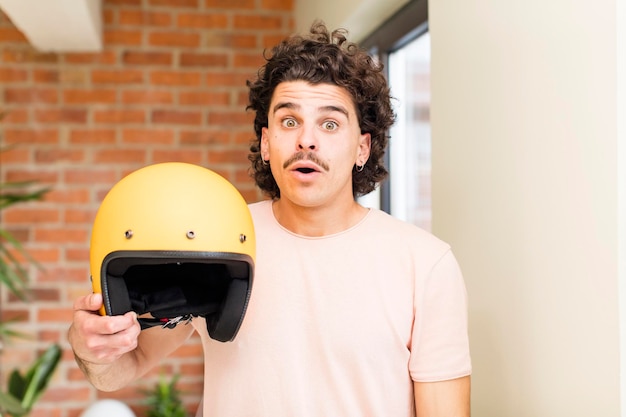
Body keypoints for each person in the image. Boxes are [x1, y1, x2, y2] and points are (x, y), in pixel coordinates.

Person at [68, 21, 471, 416]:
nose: (306, 140)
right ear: (265, 142)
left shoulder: (425, 264)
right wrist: (90, 349)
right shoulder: (215, 238)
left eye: (329, 124)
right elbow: (127, 364)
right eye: (289, 121)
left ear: (362, 148)